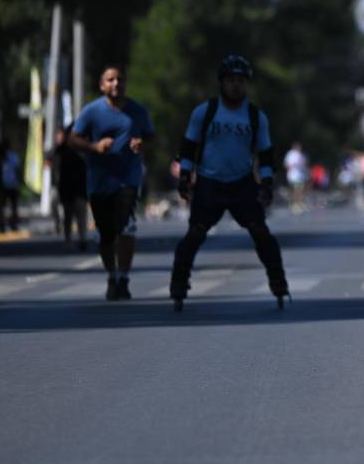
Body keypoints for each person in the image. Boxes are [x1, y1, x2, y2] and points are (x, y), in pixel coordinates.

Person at [170, 55, 288, 308]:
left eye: (241, 81)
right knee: (194, 235)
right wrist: (184, 177)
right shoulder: (205, 112)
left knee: (261, 233)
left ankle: (278, 283)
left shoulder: (256, 116)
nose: (236, 86)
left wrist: (266, 184)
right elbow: (189, 147)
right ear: (222, 83)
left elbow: (266, 154)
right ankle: (179, 283)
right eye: (231, 80)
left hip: (242, 183)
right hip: (209, 183)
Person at [69, 65, 154, 300]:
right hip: (99, 181)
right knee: (106, 235)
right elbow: (73, 139)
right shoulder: (91, 112)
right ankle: (112, 276)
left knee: (126, 226)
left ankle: (124, 278)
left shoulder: (137, 110)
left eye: (120, 79)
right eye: (110, 79)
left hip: (128, 178)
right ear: (102, 85)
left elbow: (150, 136)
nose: (116, 83)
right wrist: (94, 146)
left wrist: (142, 145)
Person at [53, 125, 89, 250]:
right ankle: (68, 239)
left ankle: (82, 238)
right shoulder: (62, 149)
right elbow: (55, 166)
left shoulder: (85, 148)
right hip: (66, 186)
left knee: (81, 213)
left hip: (81, 186)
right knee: (67, 215)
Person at [283, 142, 308, 212]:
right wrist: (290, 168)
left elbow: (304, 164)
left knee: (299, 190)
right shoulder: (290, 154)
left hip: (300, 175)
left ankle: (299, 204)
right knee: (295, 191)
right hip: (292, 176)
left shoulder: (301, 154)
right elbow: (286, 164)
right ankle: (294, 204)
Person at [1, 147, 21, 229]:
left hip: (8, 185)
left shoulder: (10, 157)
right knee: (12, 206)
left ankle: (7, 224)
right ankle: (11, 224)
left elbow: (17, 170)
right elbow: (17, 170)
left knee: (7, 206)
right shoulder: (13, 157)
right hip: (10, 184)